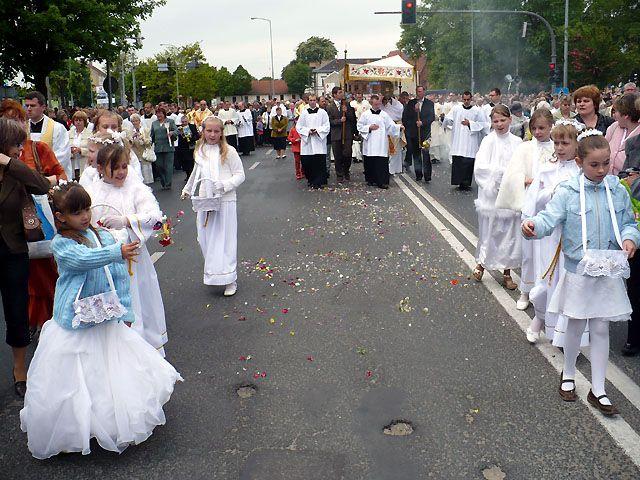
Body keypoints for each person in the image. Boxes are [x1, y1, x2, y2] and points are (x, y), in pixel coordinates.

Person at [19, 182, 181, 459]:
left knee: (109, 374)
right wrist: (116, 251)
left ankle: (109, 422)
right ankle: (75, 427)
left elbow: (119, 276)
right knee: (77, 378)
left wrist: (127, 311)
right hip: (74, 321)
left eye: (86, 209)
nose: (85, 216)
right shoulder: (62, 244)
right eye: (77, 212)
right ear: (61, 217)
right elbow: (83, 260)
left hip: (105, 317)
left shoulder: (102, 236)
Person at [522, 131, 639, 416]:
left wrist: (630, 238)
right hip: (578, 270)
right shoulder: (568, 190)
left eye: (605, 164)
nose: (601, 170)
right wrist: (533, 225)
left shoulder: (617, 189)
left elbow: (627, 221)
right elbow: (550, 217)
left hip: (607, 267)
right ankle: (569, 374)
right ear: (579, 162)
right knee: (574, 324)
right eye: (594, 165)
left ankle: (598, 389)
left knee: (600, 327)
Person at [87, 143, 169, 355]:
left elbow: (154, 216)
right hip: (104, 260)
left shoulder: (135, 189)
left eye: (124, 166)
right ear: (101, 168)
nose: (122, 172)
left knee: (137, 301)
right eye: (116, 167)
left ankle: (143, 347)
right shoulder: (93, 191)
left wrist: (126, 221)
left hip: (133, 260)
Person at [0, 100, 66, 336]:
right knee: (20, 288)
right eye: (6, 119)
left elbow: (58, 177)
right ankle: (28, 322)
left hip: (34, 226)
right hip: (9, 232)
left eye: (16, 118)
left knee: (44, 276)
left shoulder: (38, 148)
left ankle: (48, 322)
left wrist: (26, 175)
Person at [0, 118, 52, 397]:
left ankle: (20, 370)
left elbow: (42, 185)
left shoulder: (16, 173)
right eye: (15, 144)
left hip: (13, 252)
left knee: (17, 311)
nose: (21, 148)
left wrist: (9, 163)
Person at [521, 121, 583, 345]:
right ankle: (539, 318)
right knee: (547, 278)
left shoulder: (582, 171)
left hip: (573, 236)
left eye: (565, 143)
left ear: (577, 144)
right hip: (550, 233)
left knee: (567, 283)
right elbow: (534, 200)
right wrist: (552, 193)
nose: (559, 147)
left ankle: (564, 333)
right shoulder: (547, 169)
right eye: (556, 143)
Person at [496, 108, 555, 308]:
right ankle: (526, 290)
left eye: (542, 128)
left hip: (551, 207)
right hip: (531, 204)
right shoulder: (524, 148)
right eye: (534, 128)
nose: (538, 132)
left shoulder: (557, 147)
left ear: (550, 127)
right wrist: (524, 179)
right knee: (529, 252)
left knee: (549, 251)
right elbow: (512, 174)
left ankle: (548, 291)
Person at [181, 116, 245, 296]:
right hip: (205, 201)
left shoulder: (229, 151)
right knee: (205, 239)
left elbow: (240, 175)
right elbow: (196, 172)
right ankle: (214, 274)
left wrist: (224, 185)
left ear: (222, 132)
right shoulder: (199, 150)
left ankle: (230, 279)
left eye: (216, 131)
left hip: (225, 201)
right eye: (209, 131)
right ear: (203, 131)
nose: (212, 134)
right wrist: (187, 189)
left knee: (225, 240)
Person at [472, 105, 523, 289]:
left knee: (509, 233)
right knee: (489, 231)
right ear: (491, 122)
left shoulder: (517, 142)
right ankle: (481, 264)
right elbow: (480, 167)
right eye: (495, 121)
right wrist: (497, 176)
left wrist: (513, 178)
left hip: (509, 195)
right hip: (491, 195)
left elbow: (521, 165)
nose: (499, 124)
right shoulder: (488, 141)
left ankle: (507, 272)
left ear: (510, 120)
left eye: (503, 120)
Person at [357, 94, 403, 189]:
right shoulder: (365, 115)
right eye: (376, 104)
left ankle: (382, 182)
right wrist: (369, 127)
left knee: (381, 163)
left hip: (381, 143)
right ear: (371, 103)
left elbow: (391, 126)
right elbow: (359, 126)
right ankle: (371, 180)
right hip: (370, 142)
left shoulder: (384, 115)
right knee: (370, 162)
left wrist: (399, 127)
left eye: (378, 104)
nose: (377, 106)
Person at [443, 91, 485, 190]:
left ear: (471, 99)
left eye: (468, 100)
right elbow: (448, 119)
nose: (466, 101)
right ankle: (458, 181)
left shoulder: (477, 111)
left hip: (470, 140)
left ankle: (465, 183)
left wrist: (470, 123)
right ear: (462, 99)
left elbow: (483, 124)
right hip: (458, 139)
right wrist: (445, 119)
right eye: (464, 99)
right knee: (458, 160)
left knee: (468, 161)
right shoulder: (456, 109)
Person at [24, 91, 72, 179]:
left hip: (51, 177)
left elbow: (62, 154)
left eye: (33, 105)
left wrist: (40, 169)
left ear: (43, 107)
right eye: (27, 106)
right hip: (29, 177)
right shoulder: (22, 128)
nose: (29, 109)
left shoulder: (57, 128)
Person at [296, 95, 330, 189]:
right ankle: (310, 180)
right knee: (307, 163)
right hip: (308, 143)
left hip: (319, 142)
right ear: (308, 101)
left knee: (319, 163)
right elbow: (299, 127)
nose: (312, 102)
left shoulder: (322, 113)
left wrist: (317, 130)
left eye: (314, 100)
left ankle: (319, 181)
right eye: (310, 100)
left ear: (317, 101)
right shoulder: (304, 113)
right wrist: (308, 131)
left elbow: (326, 126)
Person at [403, 86, 435, 181]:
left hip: (425, 133)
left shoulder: (429, 104)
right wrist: (414, 111)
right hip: (414, 133)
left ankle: (427, 175)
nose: (419, 93)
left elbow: (431, 117)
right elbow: (405, 117)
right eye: (417, 91)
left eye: (420, 91)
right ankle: (418, 174)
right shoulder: (411, 103)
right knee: (416, 154)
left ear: (424, 92)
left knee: (426, 154)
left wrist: (423, 122)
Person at [605, 93, 640, 175]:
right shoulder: (614, 127)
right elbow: (603, 147)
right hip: (607, 180)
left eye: (616, 111)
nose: (614, 115)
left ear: (626, 115)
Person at [326, 87, 356, 182]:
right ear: (334, 94)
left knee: (347, 154)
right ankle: (339, 174)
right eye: (339, 92)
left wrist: (346, 112)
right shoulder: (329, 107)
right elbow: (329, 121)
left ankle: (346, 171)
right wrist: (339, 121)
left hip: (347, 134)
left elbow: (352, 119)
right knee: (337, 155)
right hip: (336, 134)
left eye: (342, 92)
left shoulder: (347, 104)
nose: (342, 94)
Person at [150, 107, 178, 190]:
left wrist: (172, 132)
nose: (159, 115)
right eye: (157, 113)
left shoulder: (170, 122)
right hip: (158, 148)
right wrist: (149, 144)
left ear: (164, 114)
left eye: (160, 113)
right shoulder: (154, 123)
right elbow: (152, 135)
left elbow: (177, 131)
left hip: (168, 147)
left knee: (168, 166)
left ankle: (168, 183)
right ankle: (163, 181)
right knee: (159, 166)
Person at [382, 94, 406, 175]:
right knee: (386, 149)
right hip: (385, 129)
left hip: (395, 127)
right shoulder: (381, 105)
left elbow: (399, 114)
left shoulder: (398, 105)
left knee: (396, 149)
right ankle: (386, 168)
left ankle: (394, 168)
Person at [129, 113, 154, 184]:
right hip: (136, 156)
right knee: (138, 177)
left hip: (145, 155)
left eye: (136, 121)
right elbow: (128, 145)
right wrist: (132, 138)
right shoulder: (130, 131)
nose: (135, 123)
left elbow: (149, 142)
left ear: (139, 121)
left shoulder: (146, 130)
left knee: (146, 176)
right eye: (133, 121)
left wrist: (142, 137)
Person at [68, 110, 92, 179]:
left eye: (80, 120)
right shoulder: (68, 133)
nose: (78, 122)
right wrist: (70, 150)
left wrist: (80, 150)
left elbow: (92, 150)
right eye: (76, 120)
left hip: (84, 164)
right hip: (72, 164)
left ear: (84, 122)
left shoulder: (90, 134)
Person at [175, 115, 199, 180]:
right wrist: (179, 133)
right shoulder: (179, 128)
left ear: (188, 121)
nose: (184, 123)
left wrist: (192, 137)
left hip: (191, 146)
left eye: (185, 121)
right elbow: (176, 136)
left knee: (190, 161)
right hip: (182, 147)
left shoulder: (192, 126)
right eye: (183, 122)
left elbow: (197, 135)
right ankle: (188, 174)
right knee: (184, 162)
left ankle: (191, 175)